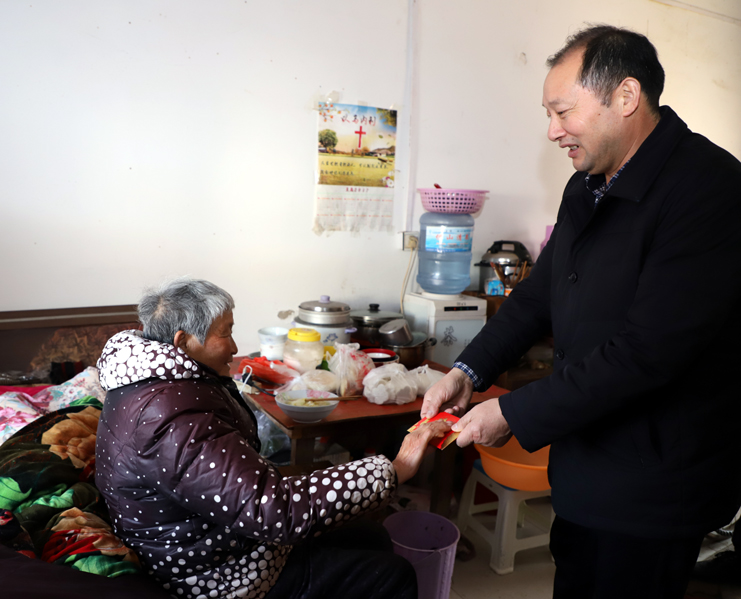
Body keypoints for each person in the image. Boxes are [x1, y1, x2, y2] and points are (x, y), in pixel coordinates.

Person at [422, 24, 741, 598]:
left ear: (626, 96)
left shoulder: (709, 188)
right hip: (584, 463)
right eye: (548, 114)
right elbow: (538, 295)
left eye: (563, 111)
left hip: (654, 482)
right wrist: (468, 371)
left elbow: (648, 352)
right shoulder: (587, 185)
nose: (552, 130)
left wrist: (512, 412)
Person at [95, 277, 449, 599]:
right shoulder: (170, 418)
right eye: (225, 333)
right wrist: (394, 469)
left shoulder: (148, 381)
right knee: (393, 575)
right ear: (183, 341)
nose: (235, 346)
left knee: (372, 536)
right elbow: (275, 511)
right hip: (219, 576)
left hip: (220, 539)